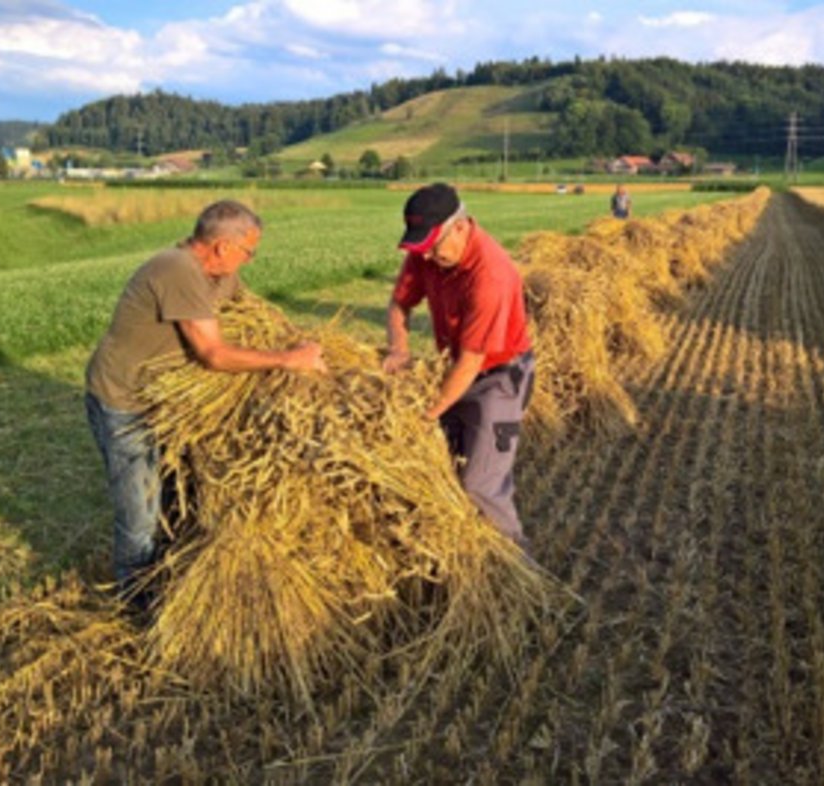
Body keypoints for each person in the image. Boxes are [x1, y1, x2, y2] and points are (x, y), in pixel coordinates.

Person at [85, 199, 325, 606]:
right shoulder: (176, 271)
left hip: (161, 403)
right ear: (222, 247)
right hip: (124, 402)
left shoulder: (217, 274)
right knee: (140, 511)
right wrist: (287, 360)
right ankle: (136, 599)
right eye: (249, 251)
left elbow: (253, 310)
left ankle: (169, 568)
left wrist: (295, 338)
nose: (249, 260)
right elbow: (212, 354)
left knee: (175, 493)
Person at [383, 183, 536, 549]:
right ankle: (454, 552)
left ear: (461, 226)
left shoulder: (490, 275)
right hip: (455, 367)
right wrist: (399, 348)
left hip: (498, 377)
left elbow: (471, 363)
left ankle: (515, 571)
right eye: (422, 248)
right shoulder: (427, 255)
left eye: (435, 246)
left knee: (481, 485)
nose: (429, 257)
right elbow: (398, 305)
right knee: (445, 464)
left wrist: (427, 412)